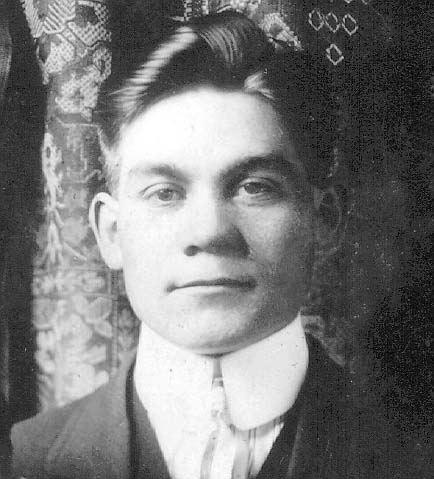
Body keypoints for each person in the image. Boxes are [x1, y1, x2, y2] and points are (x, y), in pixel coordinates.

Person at [10, 11, 387, 479]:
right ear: (111, 233)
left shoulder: (410, 447)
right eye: (164, 193)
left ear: (324, 219)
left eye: (254, 187)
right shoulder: (22, 458)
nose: (209, 232)